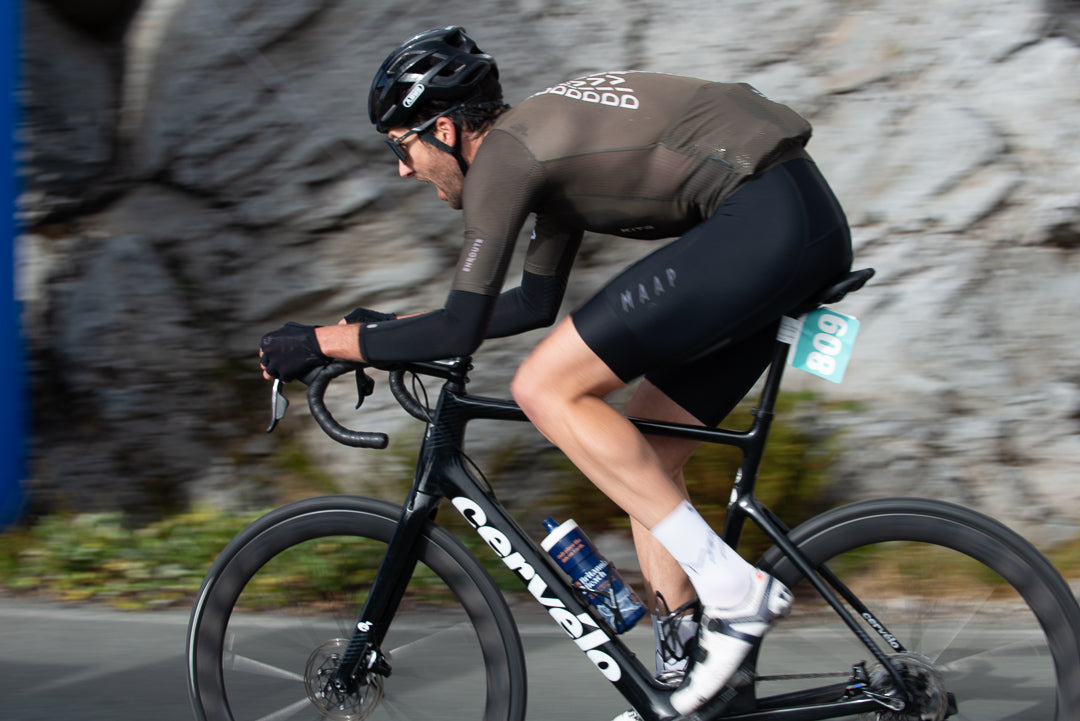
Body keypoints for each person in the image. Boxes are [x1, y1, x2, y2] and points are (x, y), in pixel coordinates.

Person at [259, 25, 853, 718]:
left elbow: (461, 326)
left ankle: (734, 591)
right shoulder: (541, 146)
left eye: (402, 147)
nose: (403, 169)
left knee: (543, 387)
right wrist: (380, 334)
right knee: (646, 452)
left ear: (444, 129)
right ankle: (687, 678)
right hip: (796, 219)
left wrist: (327, 342)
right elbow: (528, 304)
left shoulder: (509, 157)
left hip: (765, 218)